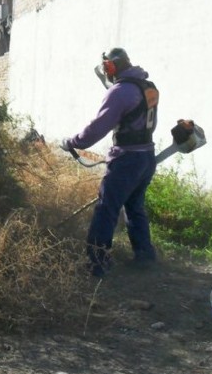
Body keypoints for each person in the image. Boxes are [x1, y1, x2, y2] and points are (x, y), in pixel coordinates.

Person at [61, 48, 159, 277]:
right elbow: (137, 116)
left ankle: (97, 263)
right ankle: (145, 256)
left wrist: (73, 142)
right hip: (146, 156)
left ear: (110, 68)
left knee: (107, 208)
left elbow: (98, 127)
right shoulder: (148, 87)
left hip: (127, 159)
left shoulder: (120, 92)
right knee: (135, 207)